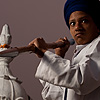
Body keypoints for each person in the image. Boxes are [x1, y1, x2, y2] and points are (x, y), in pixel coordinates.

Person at [29, 0, 100, 100]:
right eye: (72, 23)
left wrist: (44, 53)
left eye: (84, 21)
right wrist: (58, 56)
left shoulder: (98, 45)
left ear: (97, 26)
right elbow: (54, 95)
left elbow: (82, 81)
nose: (77, 27)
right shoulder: (80, 54)